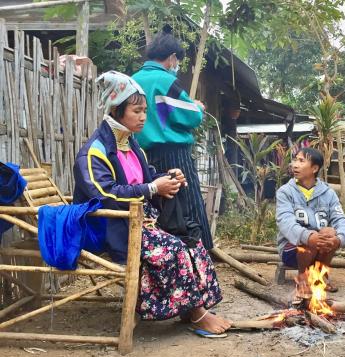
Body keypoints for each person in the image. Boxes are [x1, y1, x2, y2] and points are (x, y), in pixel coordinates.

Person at [73, 71, 230, 337]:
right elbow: (104, 194)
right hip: (112, 228)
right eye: (136, 110)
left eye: (145, 110)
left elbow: (147, 177)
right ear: (116, 110)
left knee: (193, 238)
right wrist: (152, 188)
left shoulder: (133, 146)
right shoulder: (93, 152)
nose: (143, 116)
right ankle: (197, 314)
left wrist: (167, 178)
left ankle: (193, 307)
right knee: (173, 248)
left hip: (142, 222)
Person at [132, 26, 214, 251]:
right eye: (177, 61)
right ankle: (195, 255)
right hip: (173, 154)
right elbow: (190, 116)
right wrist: (197, 107)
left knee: (155, 206)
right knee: (186, 206)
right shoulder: (165, 80)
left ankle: (160, 253)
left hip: (141, 154)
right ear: (171, 58)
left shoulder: (133, 80)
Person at [276, 148, 345, 297]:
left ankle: (321, 276)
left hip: (320, 246)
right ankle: (303, 277)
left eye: (301, 161)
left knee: (328, 233)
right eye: (295, 160)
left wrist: (338, 238)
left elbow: (340, 219)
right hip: (292, 250)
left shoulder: (328, 193)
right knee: (309, 238)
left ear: (314, 168)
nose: (295, 165)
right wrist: (308, 236)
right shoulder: (285, 192)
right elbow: (285, 221)